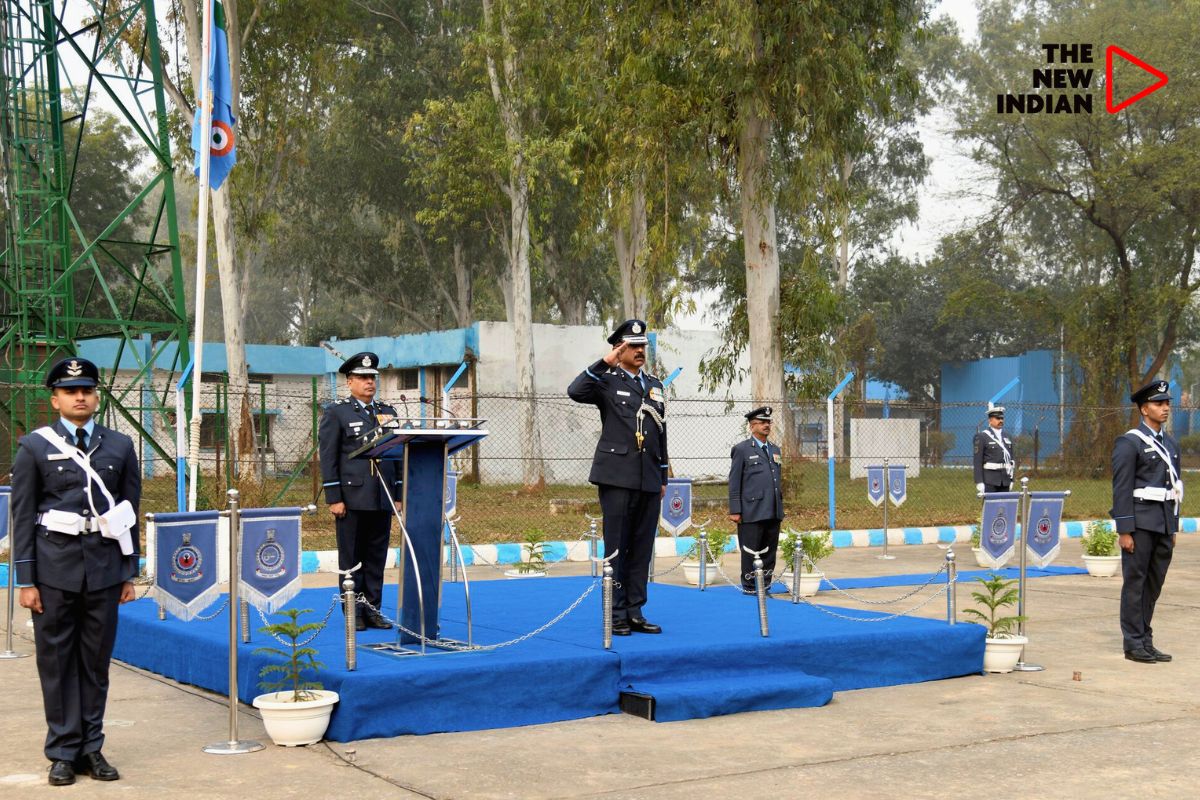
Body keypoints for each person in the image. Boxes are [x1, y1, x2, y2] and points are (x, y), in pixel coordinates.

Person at [11, 356, 140, 786]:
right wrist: (26, 580)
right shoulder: (34, 446)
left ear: (96, 396)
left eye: (86, 389)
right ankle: (63, 751)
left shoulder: (119, 446)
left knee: (95, 663)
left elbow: (128, 511)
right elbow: (22, 514)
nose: (79, 396)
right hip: (53, 571)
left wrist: (129, 571)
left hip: (104, 570)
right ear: (55, 399)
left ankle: (91, 748)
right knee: (57, 663)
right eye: (70, 391)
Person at [568, 319, 668, 635]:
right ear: (618, 348)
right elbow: (575, 391)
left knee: (641, 546)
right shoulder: (606, 381)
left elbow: (660, 431)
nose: (639, 351)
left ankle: (635, 610)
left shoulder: (655, 385)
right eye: (632, 346)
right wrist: (606, 362)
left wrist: (663, 474)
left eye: (642, 346)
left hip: (649, 477)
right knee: (618, 545)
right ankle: (615, 612)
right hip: (617, 476)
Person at [319, 352, 403, 632]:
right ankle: (353, 611)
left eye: (373, 378)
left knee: (376, 557)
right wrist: (334, 497)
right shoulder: (337, 413)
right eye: (363, 378)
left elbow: (398, 456)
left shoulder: (387, 412)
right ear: (349, 381)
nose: (370, 382)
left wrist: (399, 492)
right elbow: (329, 457)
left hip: (382, 496)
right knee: (352, 558)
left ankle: (373, 609)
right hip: (352, 498)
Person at [1111, 379, 1181, 664]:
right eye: (1158, 403)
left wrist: (1173, 527)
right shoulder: (1129, 442)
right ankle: (1133, 642)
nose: (1164, 408)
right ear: (1143, 409)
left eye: (1166, 403)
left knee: (1153, 585)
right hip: (1140, 525)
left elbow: (1175, 488)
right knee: (1135, 583)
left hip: (1163, 524)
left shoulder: (1171, 444)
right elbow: (1122, 488)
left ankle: (1146, 639)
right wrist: (1125, 529)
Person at [728, 406, 785, 593]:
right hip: (751, 510)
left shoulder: (775, 449)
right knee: (751, 551)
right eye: (762, 422)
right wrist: (735, 509)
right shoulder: (742, 450)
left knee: (770, 551)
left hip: (772, 508)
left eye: (768, 422)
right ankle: (750, 586)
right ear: (752, 426)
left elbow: (776, 479)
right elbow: (735, 481)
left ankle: (765, 584)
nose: (766, 425)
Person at [973, 405, 1014, 494]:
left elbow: (1011, 460)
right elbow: (977, 461)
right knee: (990, 506)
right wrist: (979, 481)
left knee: (1004, 506)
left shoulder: (1008, 436)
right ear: (990, 420)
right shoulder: (982, 436)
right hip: (990, 480)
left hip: (1005, 480)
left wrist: (1011, 479)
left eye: (1002, 418)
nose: (1001, 421)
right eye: (997, 418)